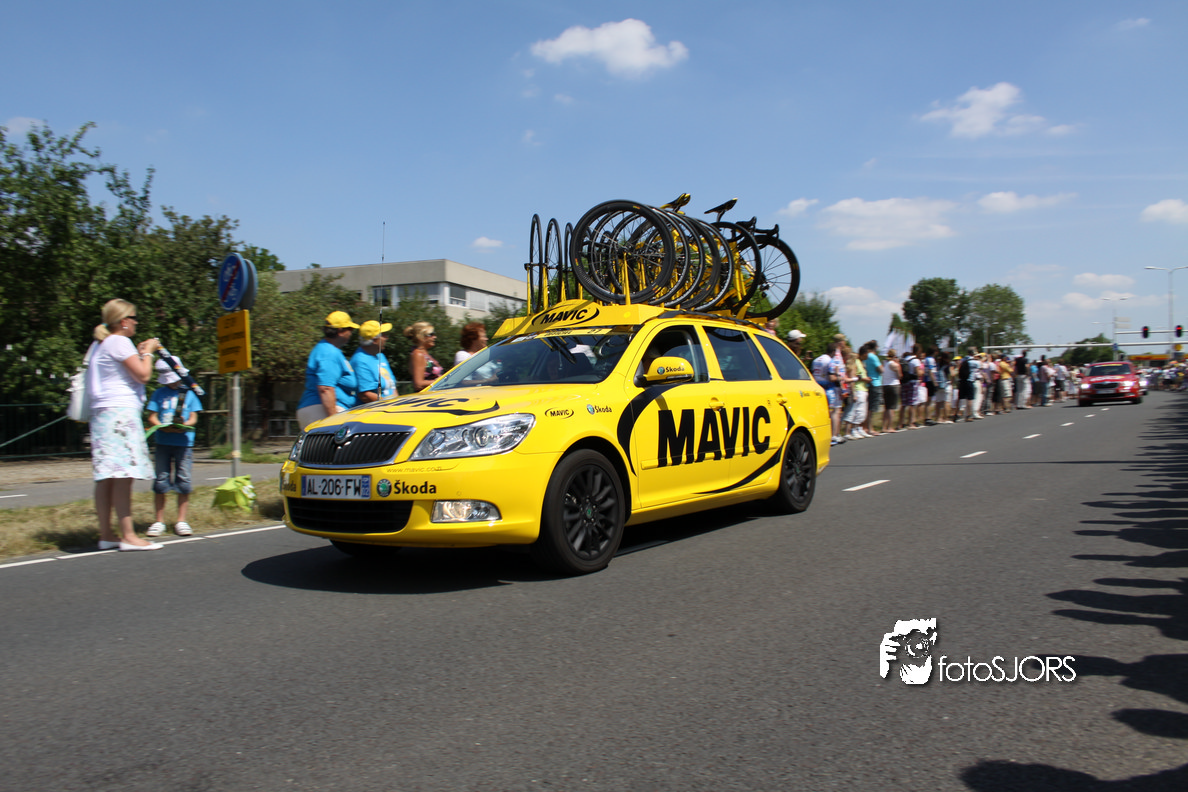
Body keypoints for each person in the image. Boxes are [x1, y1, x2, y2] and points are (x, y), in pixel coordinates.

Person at [88, 299, 163, 551]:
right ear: (123, 321)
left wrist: (140, 354)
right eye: (134, 318)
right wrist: (148, 352)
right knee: (123, 475)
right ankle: (129, 536)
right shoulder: (119, 342)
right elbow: (143, 374)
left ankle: (106, 534)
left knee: (107, 476)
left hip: (103, 413)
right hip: (120, 412)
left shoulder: (101, 344)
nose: (136, 322)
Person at [145, 357, 203, 537]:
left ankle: (181, 521)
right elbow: (152, 416)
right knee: (161, 480)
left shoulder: (189, 393)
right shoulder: (158, 393)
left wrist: (185, 424)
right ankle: (159, 521)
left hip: (184, 443)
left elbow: (194, 418)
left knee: (183, 480)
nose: (173, 382)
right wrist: (161, 426)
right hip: (163, 442)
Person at [296, 311, 359, 429]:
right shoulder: (329, 352)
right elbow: (326, 388)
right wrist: (335, 422)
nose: (351, 333)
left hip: (319, 408)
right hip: (321, 409)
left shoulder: (328, 349)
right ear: (340, 331)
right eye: (350, 329)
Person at [351, 320, 396, 404]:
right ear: (375, 339)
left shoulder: (380, 355)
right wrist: (390, 405)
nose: (386, 338)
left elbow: (392, 385)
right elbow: (365, 394)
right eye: (383, 335)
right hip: (377, 409)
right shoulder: (360, 360)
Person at [812, 341, 845, 445]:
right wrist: (839, 377)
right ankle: (833, 436)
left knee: (820, 413)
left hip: (817, 388)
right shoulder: (830, 361)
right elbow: (831, 378)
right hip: (828, 389)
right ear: (834, 352)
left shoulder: (816, 360)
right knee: (833, 413)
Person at [406, 321, 443, 391]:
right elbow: (418, 384)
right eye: (431, 334)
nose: (435, 337)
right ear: (421, 336)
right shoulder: (418, 354)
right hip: (426, 396)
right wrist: (443, 381)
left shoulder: (426, 355)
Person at [880, 348, 902, 432]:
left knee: (886, 407)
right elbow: (900, 376)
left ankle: (883, 427)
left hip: (885, 385)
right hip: (894, 385)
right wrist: (898, 364)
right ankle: (890, 426)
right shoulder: (894, 365)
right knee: (891, 408)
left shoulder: (885, 363)